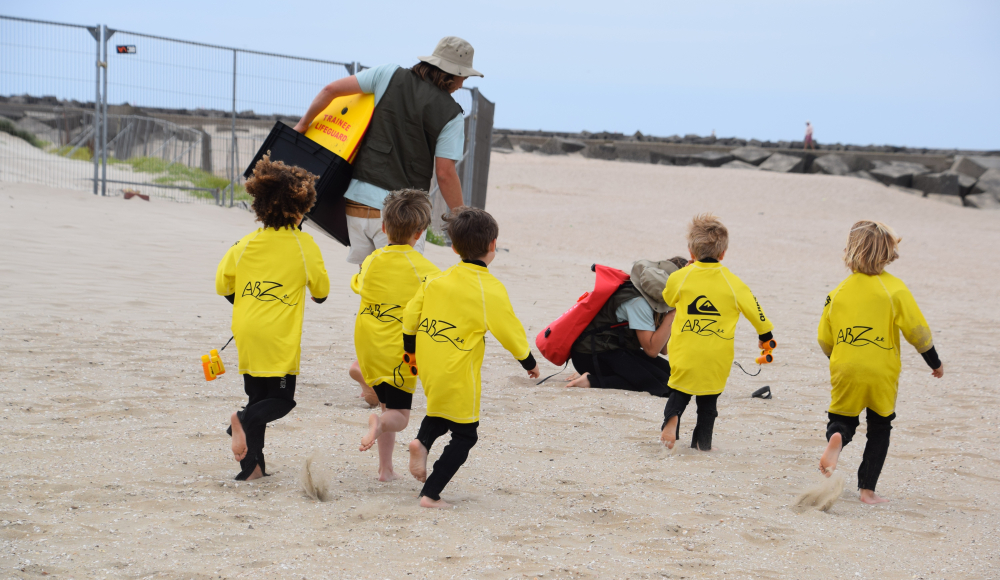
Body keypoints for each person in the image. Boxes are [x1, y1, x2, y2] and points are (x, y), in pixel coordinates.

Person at [293, 36, 483, 265]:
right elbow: (445, 173)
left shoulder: (388, 74)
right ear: (451, 74)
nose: (462, 84)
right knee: (401, 290)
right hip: (403, 215)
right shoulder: (452, 114)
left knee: (370, 285)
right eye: (462, 77)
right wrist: (461, 218)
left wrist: (302, 125)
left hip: (355, 205)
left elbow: (330, 89)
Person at [403, 207, 540, 508]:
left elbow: (411, 314)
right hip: (458, 367)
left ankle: (421, 442)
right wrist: (528, 362)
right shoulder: (488, 288)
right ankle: (431, 493)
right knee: (465, 434)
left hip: (428, 362)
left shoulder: (437, 278)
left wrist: (410, 349)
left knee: (441, 409)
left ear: (453, 247)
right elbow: (509, 330)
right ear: (493, 245)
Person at [215, 155, 330, 480]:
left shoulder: (246, 243)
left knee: (258, 398)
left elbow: (222, 283)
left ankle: (252, 468)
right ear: (301, 207)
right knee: (280, 401)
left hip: (247, 329)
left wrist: (248, 304)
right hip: (279, 337)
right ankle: (238, 419)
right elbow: (321, 292)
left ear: (259, 204)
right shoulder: (303, 244)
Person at [816, 220, 943, 504]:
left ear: (849, 251)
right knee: (880, 426)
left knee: (843, 417)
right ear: (888, 254)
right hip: (881, 371)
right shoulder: (895, 289)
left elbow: (824, 338)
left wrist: (836, 359)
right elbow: (917, 330)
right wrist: (933, 361)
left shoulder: (838, 292)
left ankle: (837, 436)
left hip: (845, 367)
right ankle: (867, 490)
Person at [659, 214, 775, 451]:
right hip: (717, 355)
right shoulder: (733, 282)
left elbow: (668, 298)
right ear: (723, 253)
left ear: (691, 251)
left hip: (684, 351)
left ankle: (672, 419)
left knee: (679, 389)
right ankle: (702, 443)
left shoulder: (680, 277)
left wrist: (686, 273)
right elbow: (756, 312)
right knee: (708, 400)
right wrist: (766, 336)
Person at [351, 189, 440, 481]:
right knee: (398, 417)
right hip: (401, 352)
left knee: (388, 406)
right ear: (421, 231)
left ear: (384, 227)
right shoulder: (425, 269)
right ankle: (376, 422)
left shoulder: (373, 259)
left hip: (368, 346)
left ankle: (385, 469)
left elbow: (358, 284)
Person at [564, 257, 688, 396]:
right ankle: (591, 380)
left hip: (613, 350)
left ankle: (593, 376)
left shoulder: (654, 298)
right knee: (664, 387)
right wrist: (672, 314)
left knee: (675, 377)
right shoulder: (639, 302)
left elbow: (663, 349)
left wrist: (672, 313)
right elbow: (652, 350)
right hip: (592, 354)